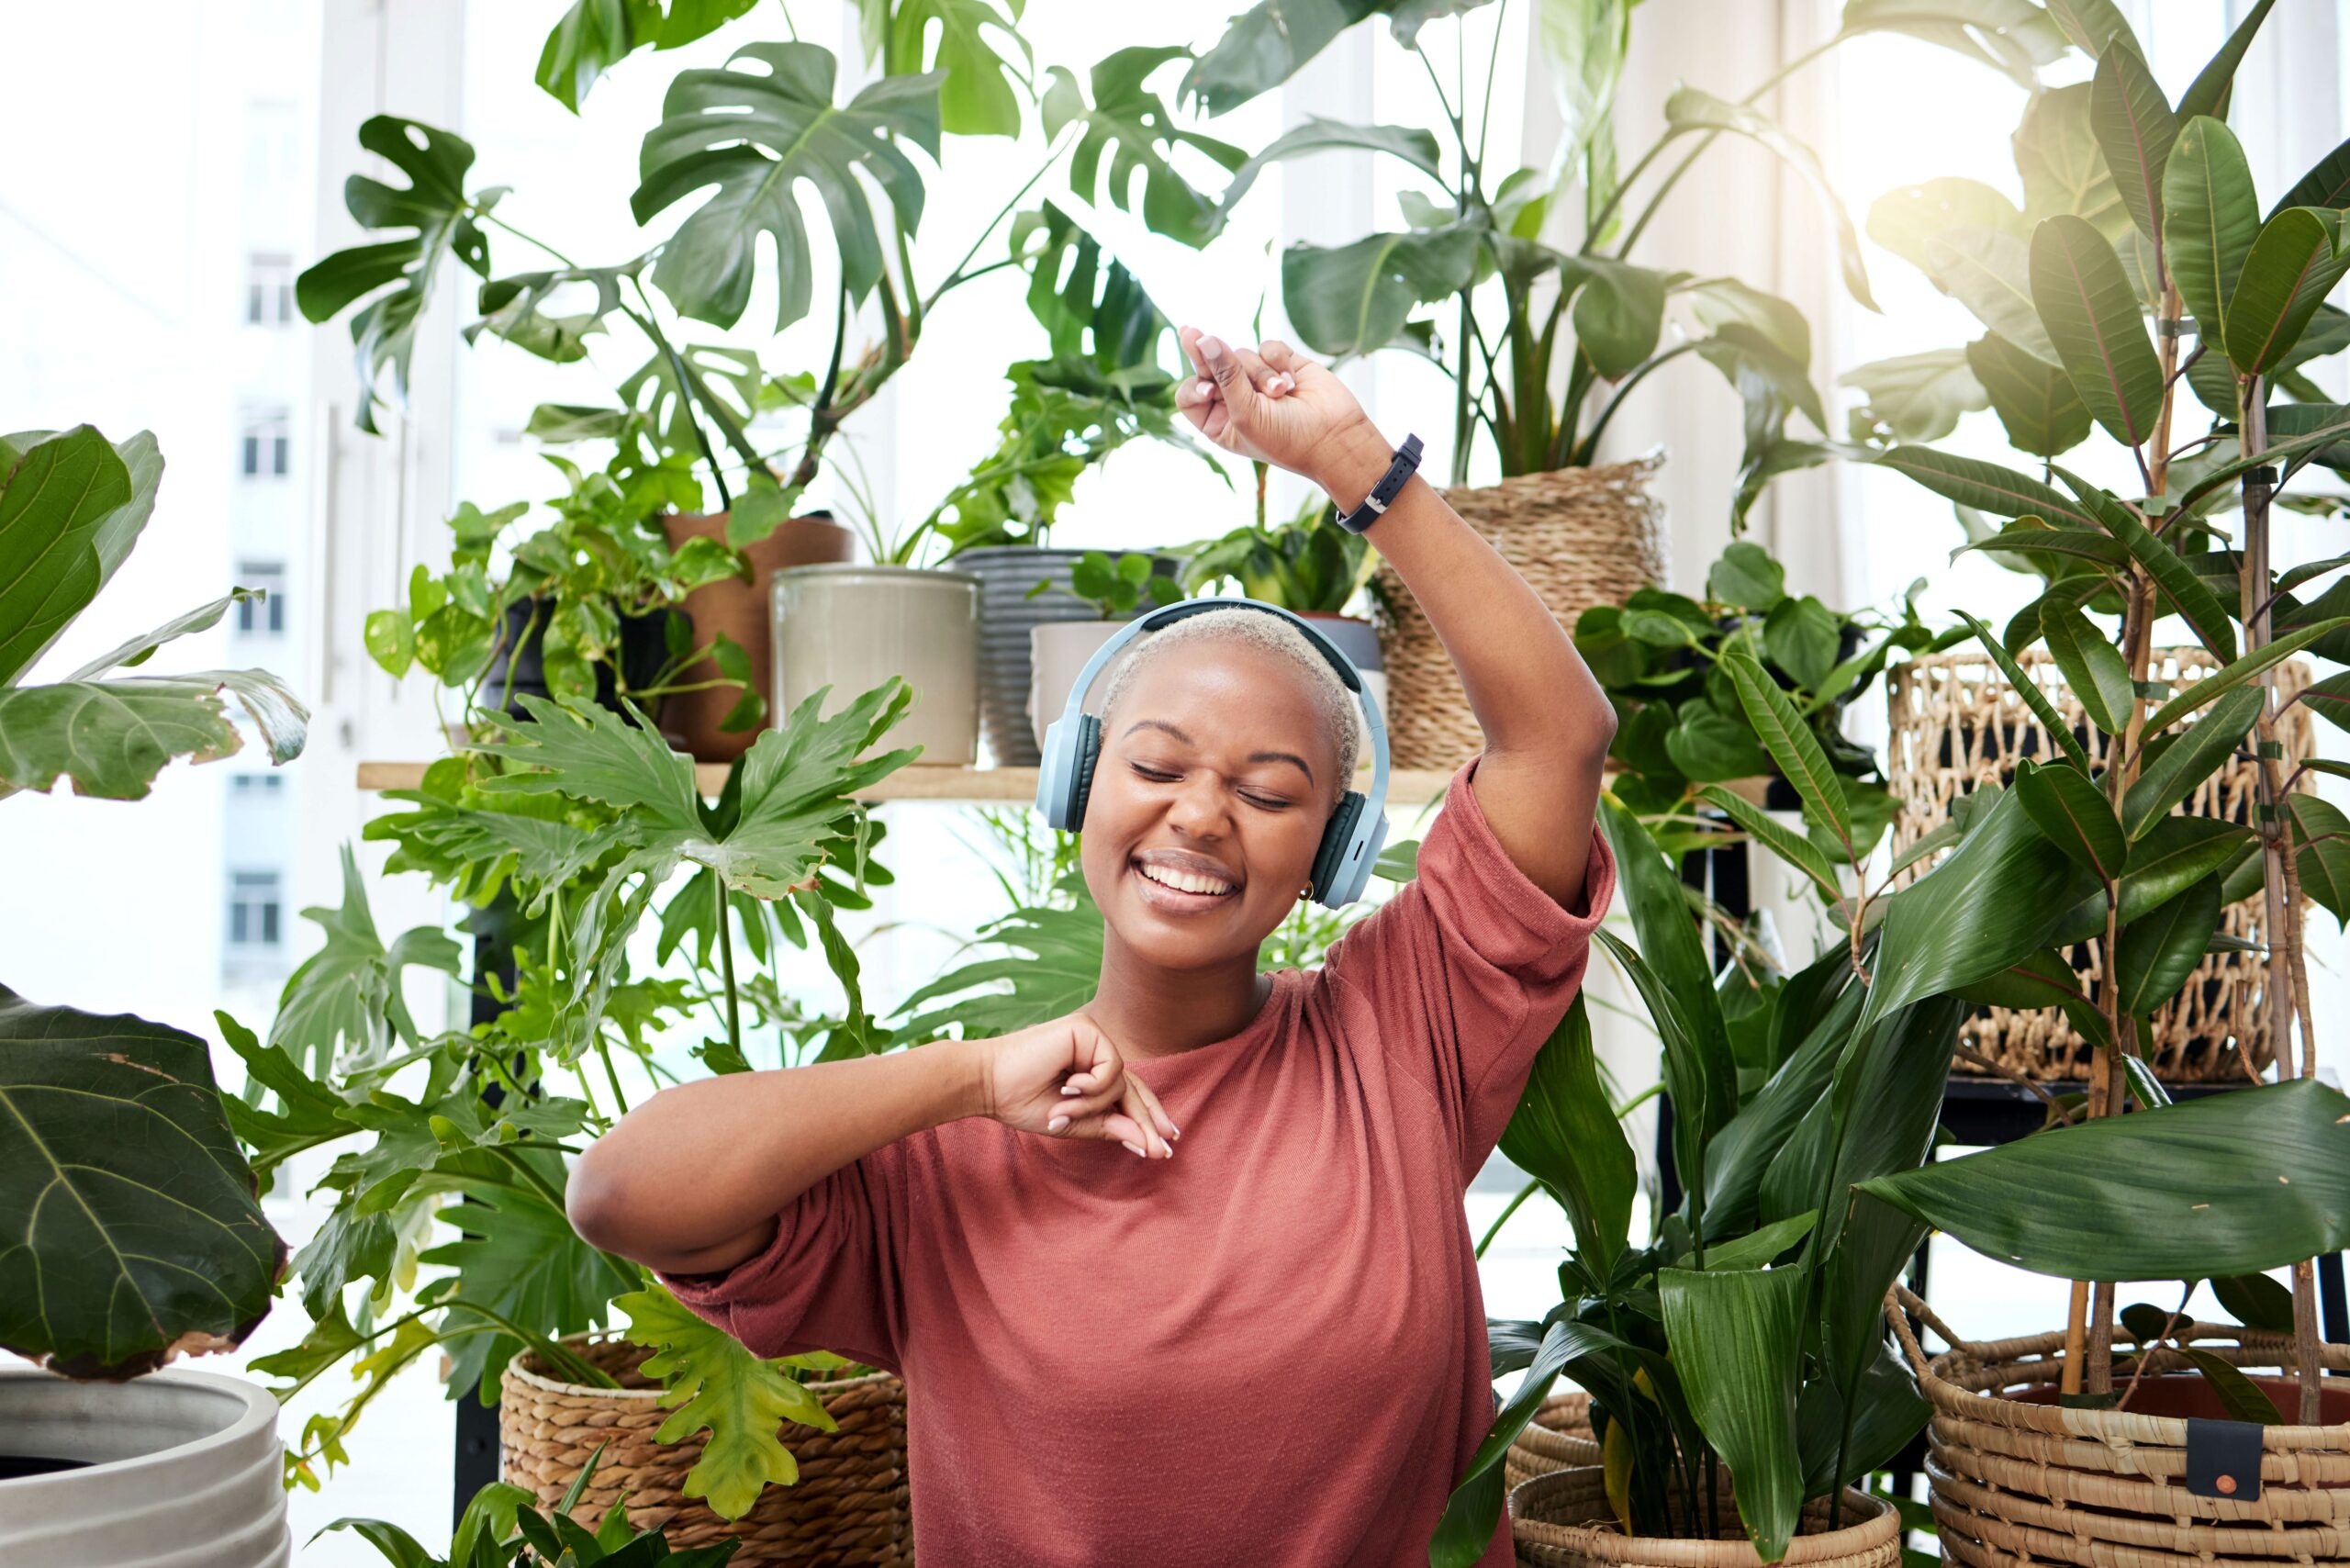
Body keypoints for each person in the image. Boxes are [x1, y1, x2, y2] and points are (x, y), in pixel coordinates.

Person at [568, 328, 1621, 1567]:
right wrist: (967, 1080)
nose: (1198, 814)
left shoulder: (1401, 1039)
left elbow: (1561, 737)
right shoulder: (954, 1151)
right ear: (1077, 783)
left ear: (1331, 852)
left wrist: (1356, 467)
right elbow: (619, 1195)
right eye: (1158, 763)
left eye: (1269, 792)